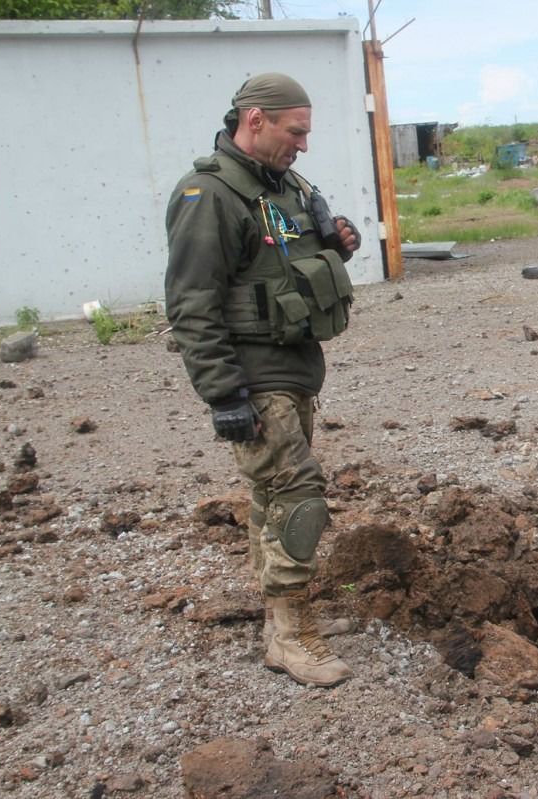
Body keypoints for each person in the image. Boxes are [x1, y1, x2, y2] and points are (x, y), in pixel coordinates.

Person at [164, 73, 361, 687]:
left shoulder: (287, 188)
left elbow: (287, 268)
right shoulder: (208, 195)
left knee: (272, 496)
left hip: (295, 368)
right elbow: (191, 304)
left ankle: (280, 620)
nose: (303, 144)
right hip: (254, 379)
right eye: (294, 132)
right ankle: (291, 637)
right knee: (299, 495)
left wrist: (339, 245)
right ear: (256, 120)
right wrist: (223, 393)